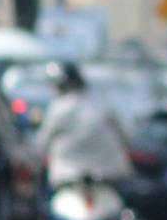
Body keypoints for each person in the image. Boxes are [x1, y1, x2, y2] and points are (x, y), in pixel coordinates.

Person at [32, 63, 137, 204]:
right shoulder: (103, 104)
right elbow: (126, 137)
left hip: (68, 179)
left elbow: (41, 146)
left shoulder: (58, 109)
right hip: (110, 176)